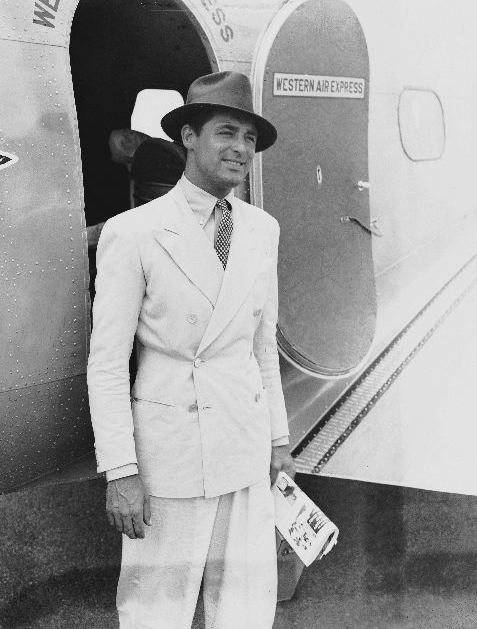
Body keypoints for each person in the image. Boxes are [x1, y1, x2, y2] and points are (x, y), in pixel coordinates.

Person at [87, 70, 295, 629]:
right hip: (169, 449)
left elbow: (261, 344)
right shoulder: (134, 232)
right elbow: (106, 364)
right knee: (156, 605)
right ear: (188, 138)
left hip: (245, 440)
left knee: (246, 605)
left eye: (250, 138)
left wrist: (278, 439)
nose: (240, 149)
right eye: (227, 132)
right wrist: (120, 471)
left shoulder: (261, 229)